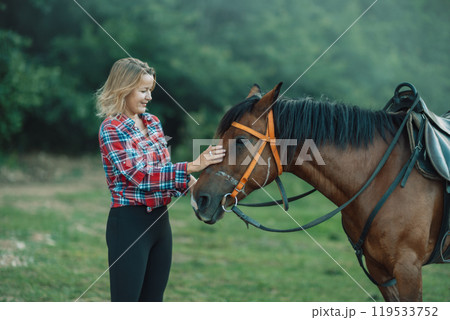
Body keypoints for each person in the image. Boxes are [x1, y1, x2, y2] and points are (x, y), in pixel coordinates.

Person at [96, 57, 225, 302]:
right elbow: (140, 176)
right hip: (128, 224)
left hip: (160, 224)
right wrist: (193, 165)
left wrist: (200, 190)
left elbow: (163, 170)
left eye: (150, 91)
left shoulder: (153, 123)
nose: (149, 97)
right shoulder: (111, 128)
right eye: (143, 90)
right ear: (123, 89)